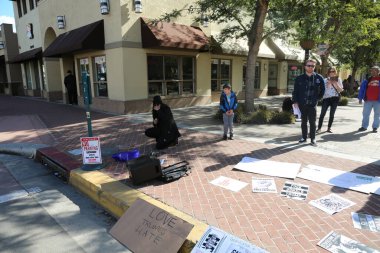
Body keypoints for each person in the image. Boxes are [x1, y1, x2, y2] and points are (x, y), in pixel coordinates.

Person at [292, 59, 325, 146]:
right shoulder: (299, 78)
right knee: (303, 122)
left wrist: (318, 98)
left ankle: (313, 139)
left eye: (312, 66)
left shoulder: (319, 78)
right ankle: (304, 137)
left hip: (312, 104)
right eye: (309, 65)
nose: (311, 67)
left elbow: (323, 90)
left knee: (312, 122)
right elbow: (295, 91)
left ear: (314, 67)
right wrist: (295, 101)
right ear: (305, 66)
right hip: (302, 104)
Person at [317, 67, 343, 133]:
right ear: (328, 73)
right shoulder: (325, 80)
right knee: (322, 113)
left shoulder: (338, 79)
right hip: (326, 98)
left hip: (335, 98)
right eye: (330, 72)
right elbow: (324, 91)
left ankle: (329, 128)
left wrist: (335, 83)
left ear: (335, 72)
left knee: (332, 114)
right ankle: (319, 128)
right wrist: (328, 84)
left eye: (333, 71)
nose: (332, 73)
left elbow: (340, 90)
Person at [358, 66, 380, 133]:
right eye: (372, 70)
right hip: (368, 100)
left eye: (374, 70)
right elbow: (362, 89)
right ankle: (364, 126)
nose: (372, 72)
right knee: (365, 114)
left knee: (377, 114)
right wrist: (360, 98)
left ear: (378, 71)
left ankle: (375, 127)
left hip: (378, 101)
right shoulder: (367, 79)